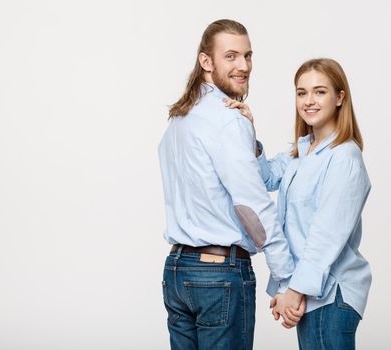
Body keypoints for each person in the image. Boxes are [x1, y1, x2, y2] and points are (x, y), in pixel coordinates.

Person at [158, 19, 303, 350]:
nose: (244, 66)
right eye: (232, 56)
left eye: (248, 56)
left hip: (177, 271)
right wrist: (286, 279)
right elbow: (252, 206)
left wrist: (249, 137)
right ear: (206, 62)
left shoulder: (178, 121)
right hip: (218, 276)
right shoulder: (227, 120)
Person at [225, 58, 372, 349]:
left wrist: (294, 290)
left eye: (319, 91)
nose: (308, 101)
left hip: (331, 295)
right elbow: (265, 178)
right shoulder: (302, 151)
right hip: (312, 295)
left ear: (340, 97)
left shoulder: (344, 158)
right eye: (301, 92)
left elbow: (325, 235)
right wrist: (248, 133)